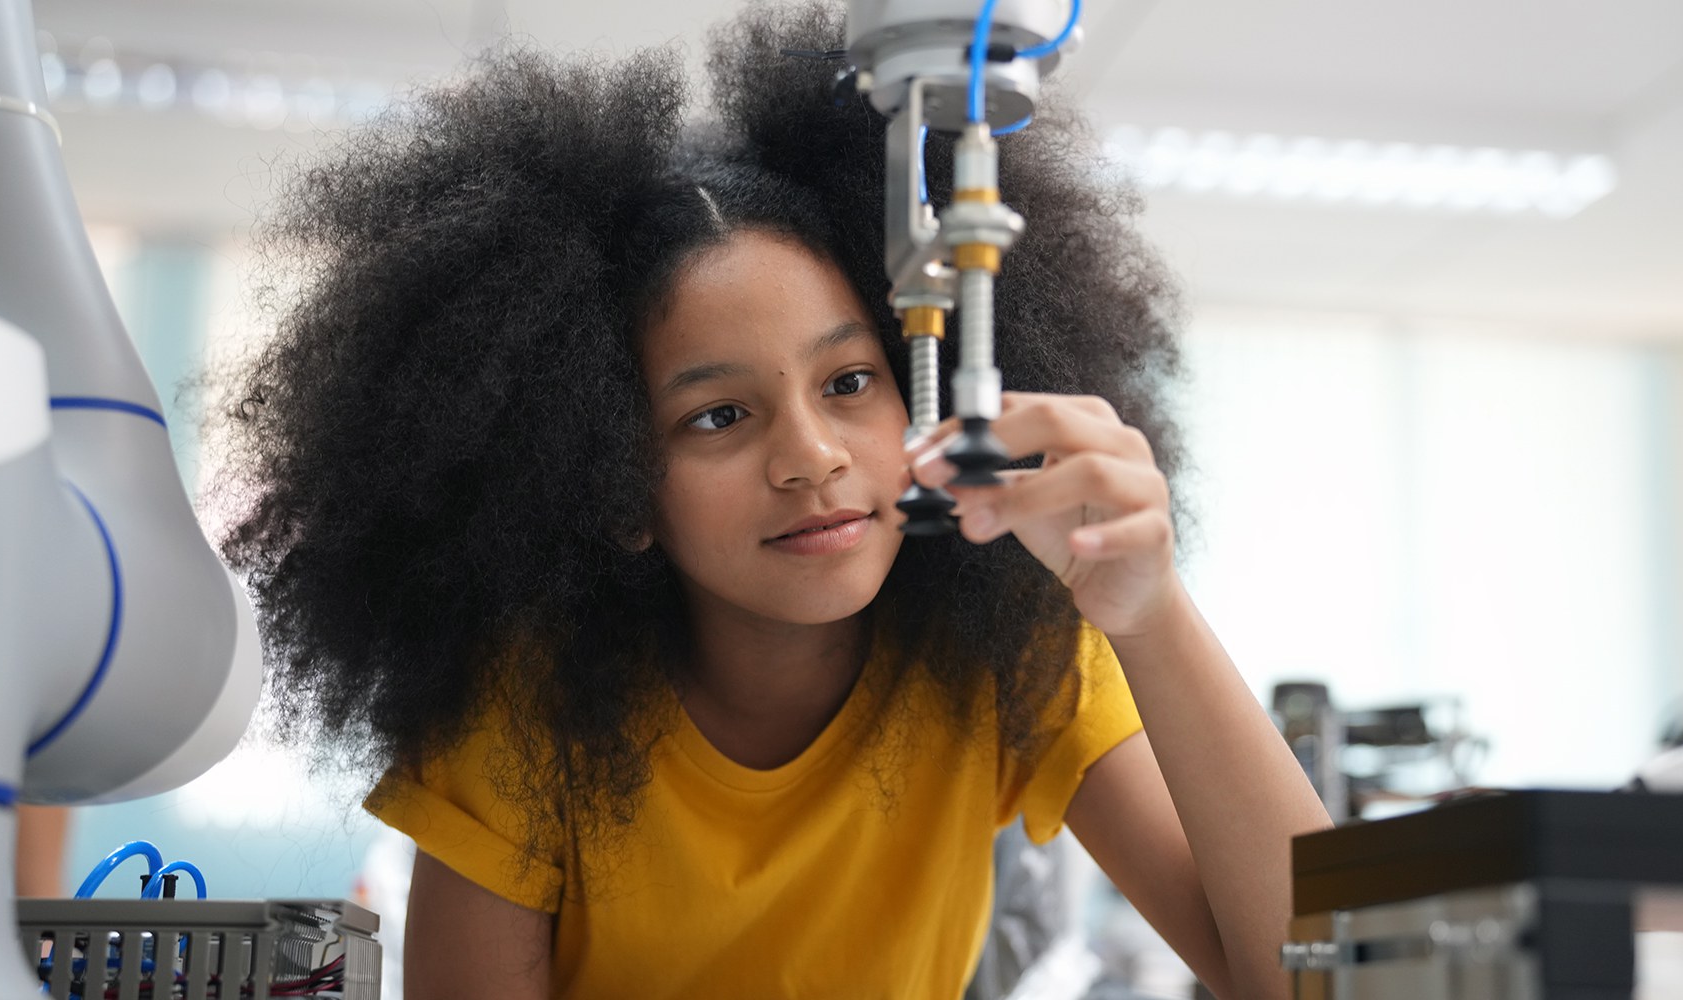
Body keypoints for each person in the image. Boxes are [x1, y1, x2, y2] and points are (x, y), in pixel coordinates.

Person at [213, 2, 1330, 996]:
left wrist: (1150, 612)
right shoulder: (522, 719)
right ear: (611, 487)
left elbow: (1309, 981)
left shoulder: (1010, 664)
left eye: (850, 383)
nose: (810, 457)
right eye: (718, 416)